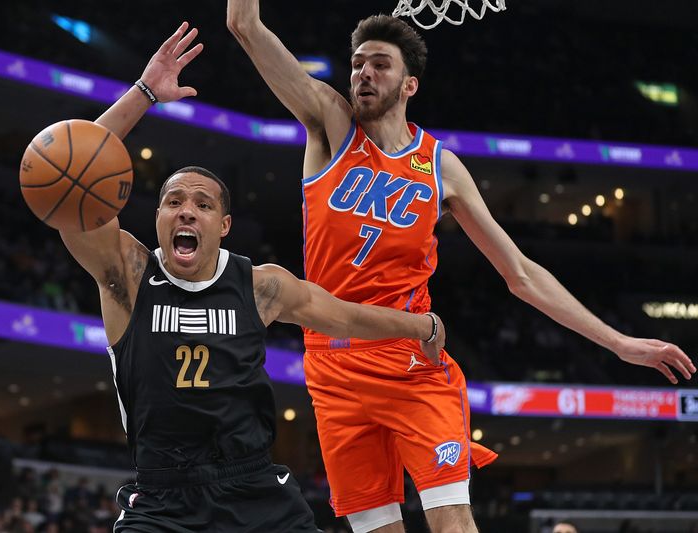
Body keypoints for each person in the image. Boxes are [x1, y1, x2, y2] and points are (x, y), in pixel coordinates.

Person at [225, 4, 697, 533]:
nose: (364, 73)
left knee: (452, 522)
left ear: (410, 85)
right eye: (358, 63)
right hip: (332, 370)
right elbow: (245, 24)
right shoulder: (330, 124)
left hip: (410, 360)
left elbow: (520, 272)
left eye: (380, 64)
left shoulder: (439, 165)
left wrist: (618, 343)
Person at [56, 23, 448, 532]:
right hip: (162, 499)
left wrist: (421, 327)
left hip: (256, 493)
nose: (186, 212)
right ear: (156, 220)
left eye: (202, 203)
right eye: (173, 202)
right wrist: (145, 93)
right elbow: (71, 181)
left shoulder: (260, 285)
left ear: (224, 226)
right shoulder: (128, 275)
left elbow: (346, 316)